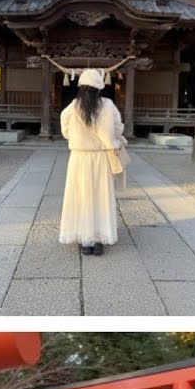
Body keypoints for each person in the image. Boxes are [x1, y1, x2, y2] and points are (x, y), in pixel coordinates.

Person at [59, 69, 125, 256]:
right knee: (100, 197)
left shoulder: (73, 107)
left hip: (79, 158)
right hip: (101, 158)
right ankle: (98, 240)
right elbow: (118, 129)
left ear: (81, 87)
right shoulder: (109, 106)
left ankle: (84, 239)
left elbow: (65, 132)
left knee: (80, 197)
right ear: (99, 88)